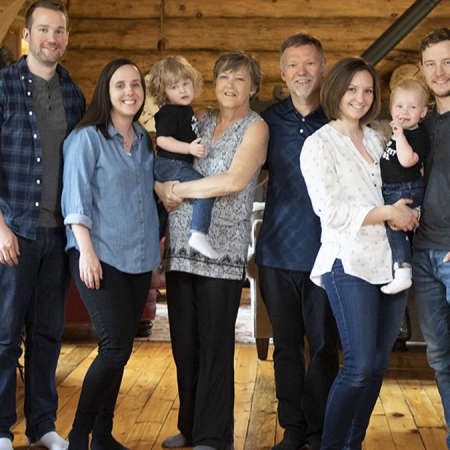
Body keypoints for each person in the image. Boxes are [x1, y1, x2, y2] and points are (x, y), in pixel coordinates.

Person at [300, 57, 419, 450]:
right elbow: (329, 211)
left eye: (368, 90)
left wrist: (407, 209)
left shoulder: (376, 138)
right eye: (352, 89)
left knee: (378, 367)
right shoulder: (318, 144)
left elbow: (396, 184)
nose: (360, 97)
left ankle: (353, 444)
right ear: (336, 90)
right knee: (359, 365)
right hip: (347, 262)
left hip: (389, 262)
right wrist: (389, 213)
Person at [155, 51, 268, 450]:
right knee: (185, 344)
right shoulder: (197, 119)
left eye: (240, 79)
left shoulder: (256, 128)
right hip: (181, 247)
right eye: (223, 76)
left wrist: (177, 191)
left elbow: (234, 180)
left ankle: (213, 435)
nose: (230, 85)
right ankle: (189, 427)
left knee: (216, 345)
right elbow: (164, 161)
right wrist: (161, 188)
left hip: (222, 252)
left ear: (252, 87)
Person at [61, 59, 160, 450]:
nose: (129, 92)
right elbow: (75, 199)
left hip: (138, 258)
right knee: (115, 347)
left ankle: (103, 434)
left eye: (135, 85)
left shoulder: (145, 140)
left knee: (118, 351)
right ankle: (78, 436)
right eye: (120, 85)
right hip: (97, 256)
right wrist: (85, 252)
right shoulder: (86, 138)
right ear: (106, 90)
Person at [0, 1, 85, 449]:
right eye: (44, 29)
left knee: (48, 334)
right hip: (13, 232)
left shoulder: (73, 92)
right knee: (3, 337)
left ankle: (43, 426)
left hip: (59, 235)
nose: (52, 38)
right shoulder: (3, 87)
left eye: (59, 31)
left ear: (66, 38)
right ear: (28, 35)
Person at [254, 33, 339, 450]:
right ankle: (292, 429)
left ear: (323, 68)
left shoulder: (341, 119)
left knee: (324, 348)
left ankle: (321, 430)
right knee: (286, 347)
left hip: (328, 255)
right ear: (282, 72)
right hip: (276, 253)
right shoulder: (266, 123)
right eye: (293, 64)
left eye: (310, 64)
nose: (302, 72)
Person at [413, 27, 450, 450]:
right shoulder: (422, 120)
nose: (439, 71)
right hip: (422, 252)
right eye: (430, 63)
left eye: (446, 60)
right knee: (439, 356)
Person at [148, 55, 217, 258]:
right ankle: (198, 233)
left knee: (162, 211)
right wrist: (189, 149)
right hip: (169, 163)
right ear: (164, 92)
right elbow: (162, 140)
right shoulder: (170, 112)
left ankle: (154, 250)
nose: (183, 90)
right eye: (175, 87)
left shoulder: (185, 110)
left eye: (186, 84)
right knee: (204, 188)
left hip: (173, 164)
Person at [380, 78, 430, 295]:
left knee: (395, 230)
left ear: (423, 112)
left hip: (405, 188)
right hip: (395, 188)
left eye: (412, 107)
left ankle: (403, 272)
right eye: (399, 106)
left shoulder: (417, 134)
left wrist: (399, 135)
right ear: (391, 109)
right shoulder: (399, 131)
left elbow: (407, 160)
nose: (404, 111)